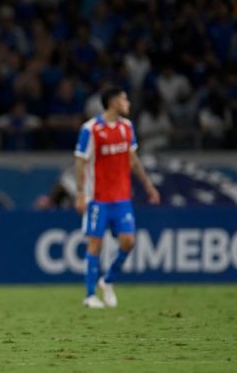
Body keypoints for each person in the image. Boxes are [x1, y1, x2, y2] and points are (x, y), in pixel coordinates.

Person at [74, 88, 160, 309]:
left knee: (128, 241)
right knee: (95, 243)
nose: (128, 102)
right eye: (124, 99)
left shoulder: (127, 127)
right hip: (98, 198)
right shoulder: (90, 129)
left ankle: (108, 280)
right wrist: (81, 192)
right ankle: (90, 295)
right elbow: (80, 161)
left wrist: (148, 185)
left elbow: (132, 160)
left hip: (122, 198)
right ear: (113, 102)